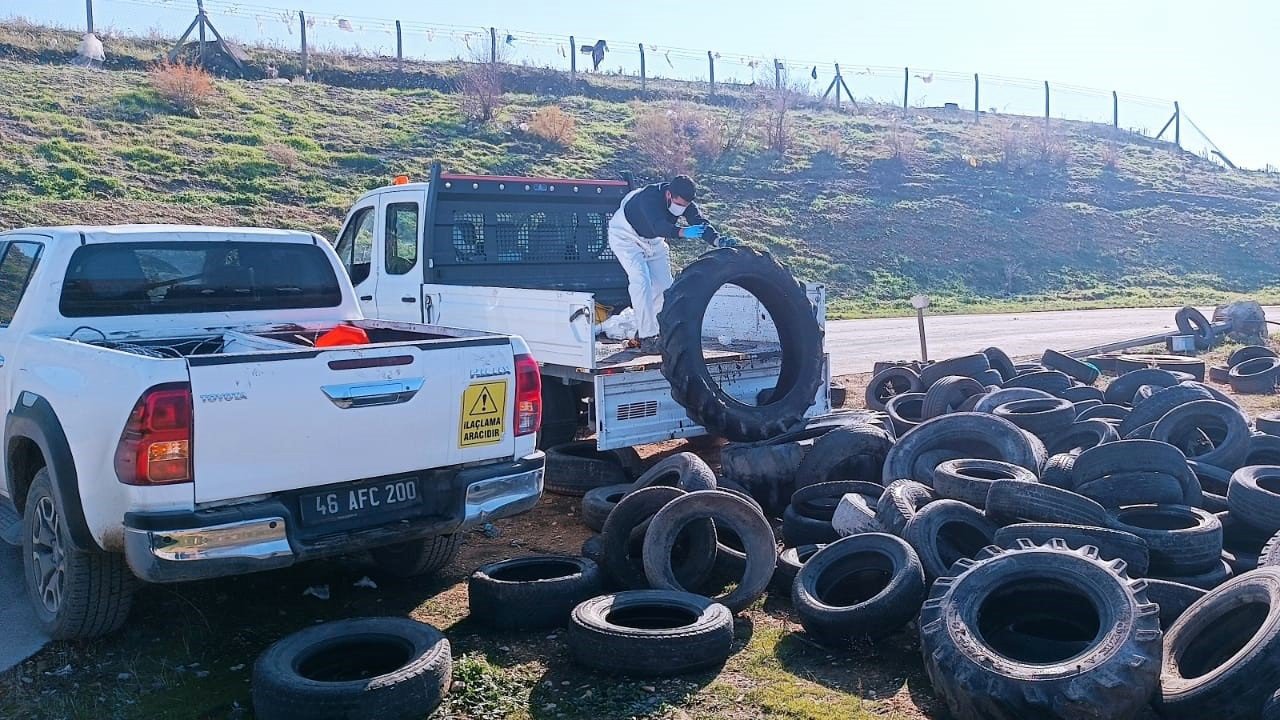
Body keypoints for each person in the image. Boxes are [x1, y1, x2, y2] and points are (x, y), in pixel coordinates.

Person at [607, 174, 726, 353]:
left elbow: (700, 223)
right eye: (679, 204)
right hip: (626, 237)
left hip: (654, 241)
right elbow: (658, 225)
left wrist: (718, 240)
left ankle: (656, 331)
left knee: (665, 288)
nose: (682, 209)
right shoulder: (649, 198)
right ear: (669, 195)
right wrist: (684, 232)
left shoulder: (684, 203)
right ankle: (647, 337)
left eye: (685, 206)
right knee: (641, 281)